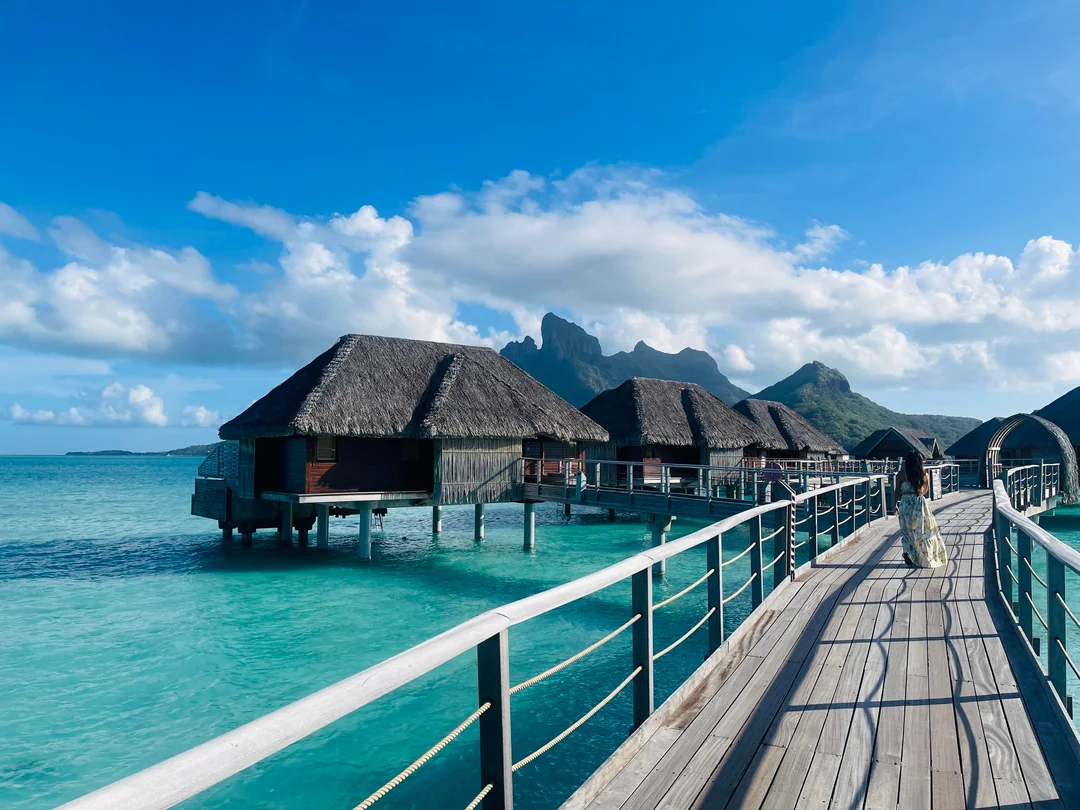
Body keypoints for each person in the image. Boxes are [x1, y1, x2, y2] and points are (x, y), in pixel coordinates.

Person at [893, 451, 948, 568]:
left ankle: (908, 551)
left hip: (905, 503)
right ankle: (920, 555)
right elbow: (924, 491)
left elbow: (897, 491)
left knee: (907, 531)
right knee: (920, 531)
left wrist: (895, 505)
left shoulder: (901, 474)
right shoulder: (924, 475)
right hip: (919, 505)